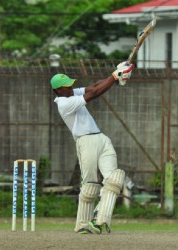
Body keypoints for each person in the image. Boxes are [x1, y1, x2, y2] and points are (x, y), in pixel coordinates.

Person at [50, 61, 134, 234]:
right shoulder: (64, 104)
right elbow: (95, 93)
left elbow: (94, 86)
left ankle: (99, 219)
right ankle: (82, 224)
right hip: (85, 142)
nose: (71, 87)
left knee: (115, 179)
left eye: (71, 84)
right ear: (59, 90)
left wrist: (116, 74)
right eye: (67, 86)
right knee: (90, 185)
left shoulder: (71, 93)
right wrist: (114, 77)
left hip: (101, 138)